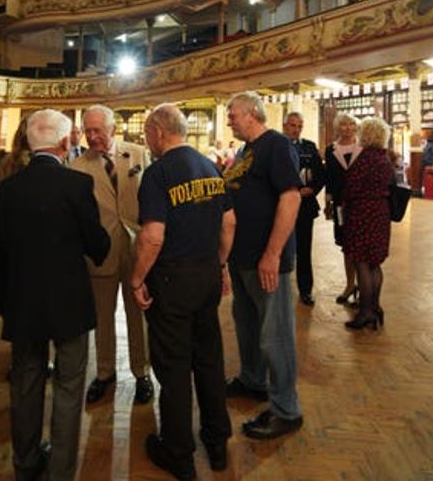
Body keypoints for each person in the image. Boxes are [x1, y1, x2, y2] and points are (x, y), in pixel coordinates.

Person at [0, 109, 110, 481]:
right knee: (70, 385)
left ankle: (25, 464)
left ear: (28, 141)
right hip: (69, 301)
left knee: (25, 383)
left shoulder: (7, 188)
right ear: (64, 142)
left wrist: (1, 304)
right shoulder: (75, 186)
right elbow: (97, 244)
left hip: (22, 303)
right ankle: (60, 470)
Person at [130, 104, 235, 479]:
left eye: (146, 132)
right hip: (207, 273)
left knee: (173, 367)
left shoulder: (158, 173)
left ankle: (178, 452)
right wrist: (220, 265)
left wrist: (137, 278)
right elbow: (228, 222)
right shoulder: (211, 167)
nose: (146, 139)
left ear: (159, 131)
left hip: (172, 280)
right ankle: (217, 442)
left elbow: (153, 235)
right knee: (208, 360)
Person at [221, 91, 303, 440]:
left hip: (266, 260)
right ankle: (253, 380)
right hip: (242, 258)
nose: (229, 120)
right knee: (248, 325)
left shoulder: (276, 145)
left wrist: (273, 253)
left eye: (232, 114)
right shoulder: (246, 151)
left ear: (252, 113)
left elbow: (290, 197)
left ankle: (286, 409)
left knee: (275, 335)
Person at [70, 105, 153, 405]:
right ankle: (104, 373)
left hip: (137, 250)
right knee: (102, 317)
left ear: (112, 129)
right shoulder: (77, 167)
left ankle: (142, 373)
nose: (92, 137)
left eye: (98, 131)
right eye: (87, 131)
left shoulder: (140, 154)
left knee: (137, 315)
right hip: (100, 253)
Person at [342, 116, 394, 330]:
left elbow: (351, 188)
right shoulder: (385, 159)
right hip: (381, 213)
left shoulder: (364, 159)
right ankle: (375, 307)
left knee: (362, 262)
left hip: (363, 213)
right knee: (375, 263)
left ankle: (365, 312)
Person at [281, 112, 324, 306]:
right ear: (284, 126)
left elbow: (320, 175)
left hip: (304, 206)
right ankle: (278, 289)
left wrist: (312, 190)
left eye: (299, 126)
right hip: (280, 206)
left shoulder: (309, 147)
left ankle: (305, 290)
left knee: (304, 249)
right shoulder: (276, 146)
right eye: (292, 125)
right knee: (279, 248)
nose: (296, 130)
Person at [324, 113, 361, 305]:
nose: (347, 128)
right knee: (347, 245)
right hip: (340, 203)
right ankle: (350, 284)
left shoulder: (363, 148)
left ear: (356, 127)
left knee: (361, 245)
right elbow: (329, 179)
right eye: (344, 125)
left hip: (362, 204)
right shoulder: (330, 150)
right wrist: (328, 202)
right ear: (338, 128)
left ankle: (364, 285)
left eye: (351, 124)